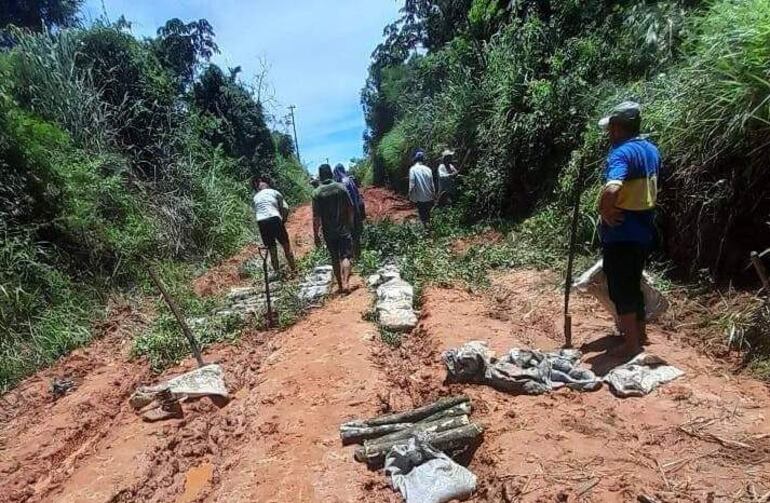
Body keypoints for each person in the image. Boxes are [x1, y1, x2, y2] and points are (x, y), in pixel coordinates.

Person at [597, 101, 660, 356]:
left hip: (622, 232)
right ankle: (640, 333)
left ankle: (630, 344)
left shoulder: (621, 153)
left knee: (620, 286)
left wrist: (605, 210)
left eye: (610, 128)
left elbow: (613, 186)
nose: (609, 134)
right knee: (633, 283)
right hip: (644, 230)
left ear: (617, 127)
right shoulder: (651, 150)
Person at [312, 163, 355, 293]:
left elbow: (316, 217)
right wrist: (350, 224)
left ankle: (340, 286)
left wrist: (316, 234)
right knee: (346, 256)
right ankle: (347, 282)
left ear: (320, 176)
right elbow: (350, 207)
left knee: (334, 258)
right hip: (343, 228)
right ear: (331, 173)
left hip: (328, 231)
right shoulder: (341, 188)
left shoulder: (317, 192)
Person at [252, 175, 297, 274]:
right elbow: (285, 208)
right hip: (274, 218)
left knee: (272, 250)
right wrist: (283, 220)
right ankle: (294, 270)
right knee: (286, 246)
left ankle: (278, 273)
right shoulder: (274, 192)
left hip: (261, 221)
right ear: (267, 185)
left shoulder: (256, 197)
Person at [333, 163, 366, 259]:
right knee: (356, 237)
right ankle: (358, 257)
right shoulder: (350, 180)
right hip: (356, 210)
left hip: (349, 213)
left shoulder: (342, 183)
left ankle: (351, 258)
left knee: (348, 236)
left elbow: (347, 202)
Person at [408, 149, 435, 227]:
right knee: (428, 216)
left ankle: (425, 233)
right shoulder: (428, 169)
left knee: (422, 217)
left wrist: (410, 197)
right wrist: (434, 196)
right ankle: (430, 231)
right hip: (429, 197)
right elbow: (432, 185)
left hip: (420, 199)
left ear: (415, 159)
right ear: (423, 159)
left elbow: (412, 185)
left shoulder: (412, 169)